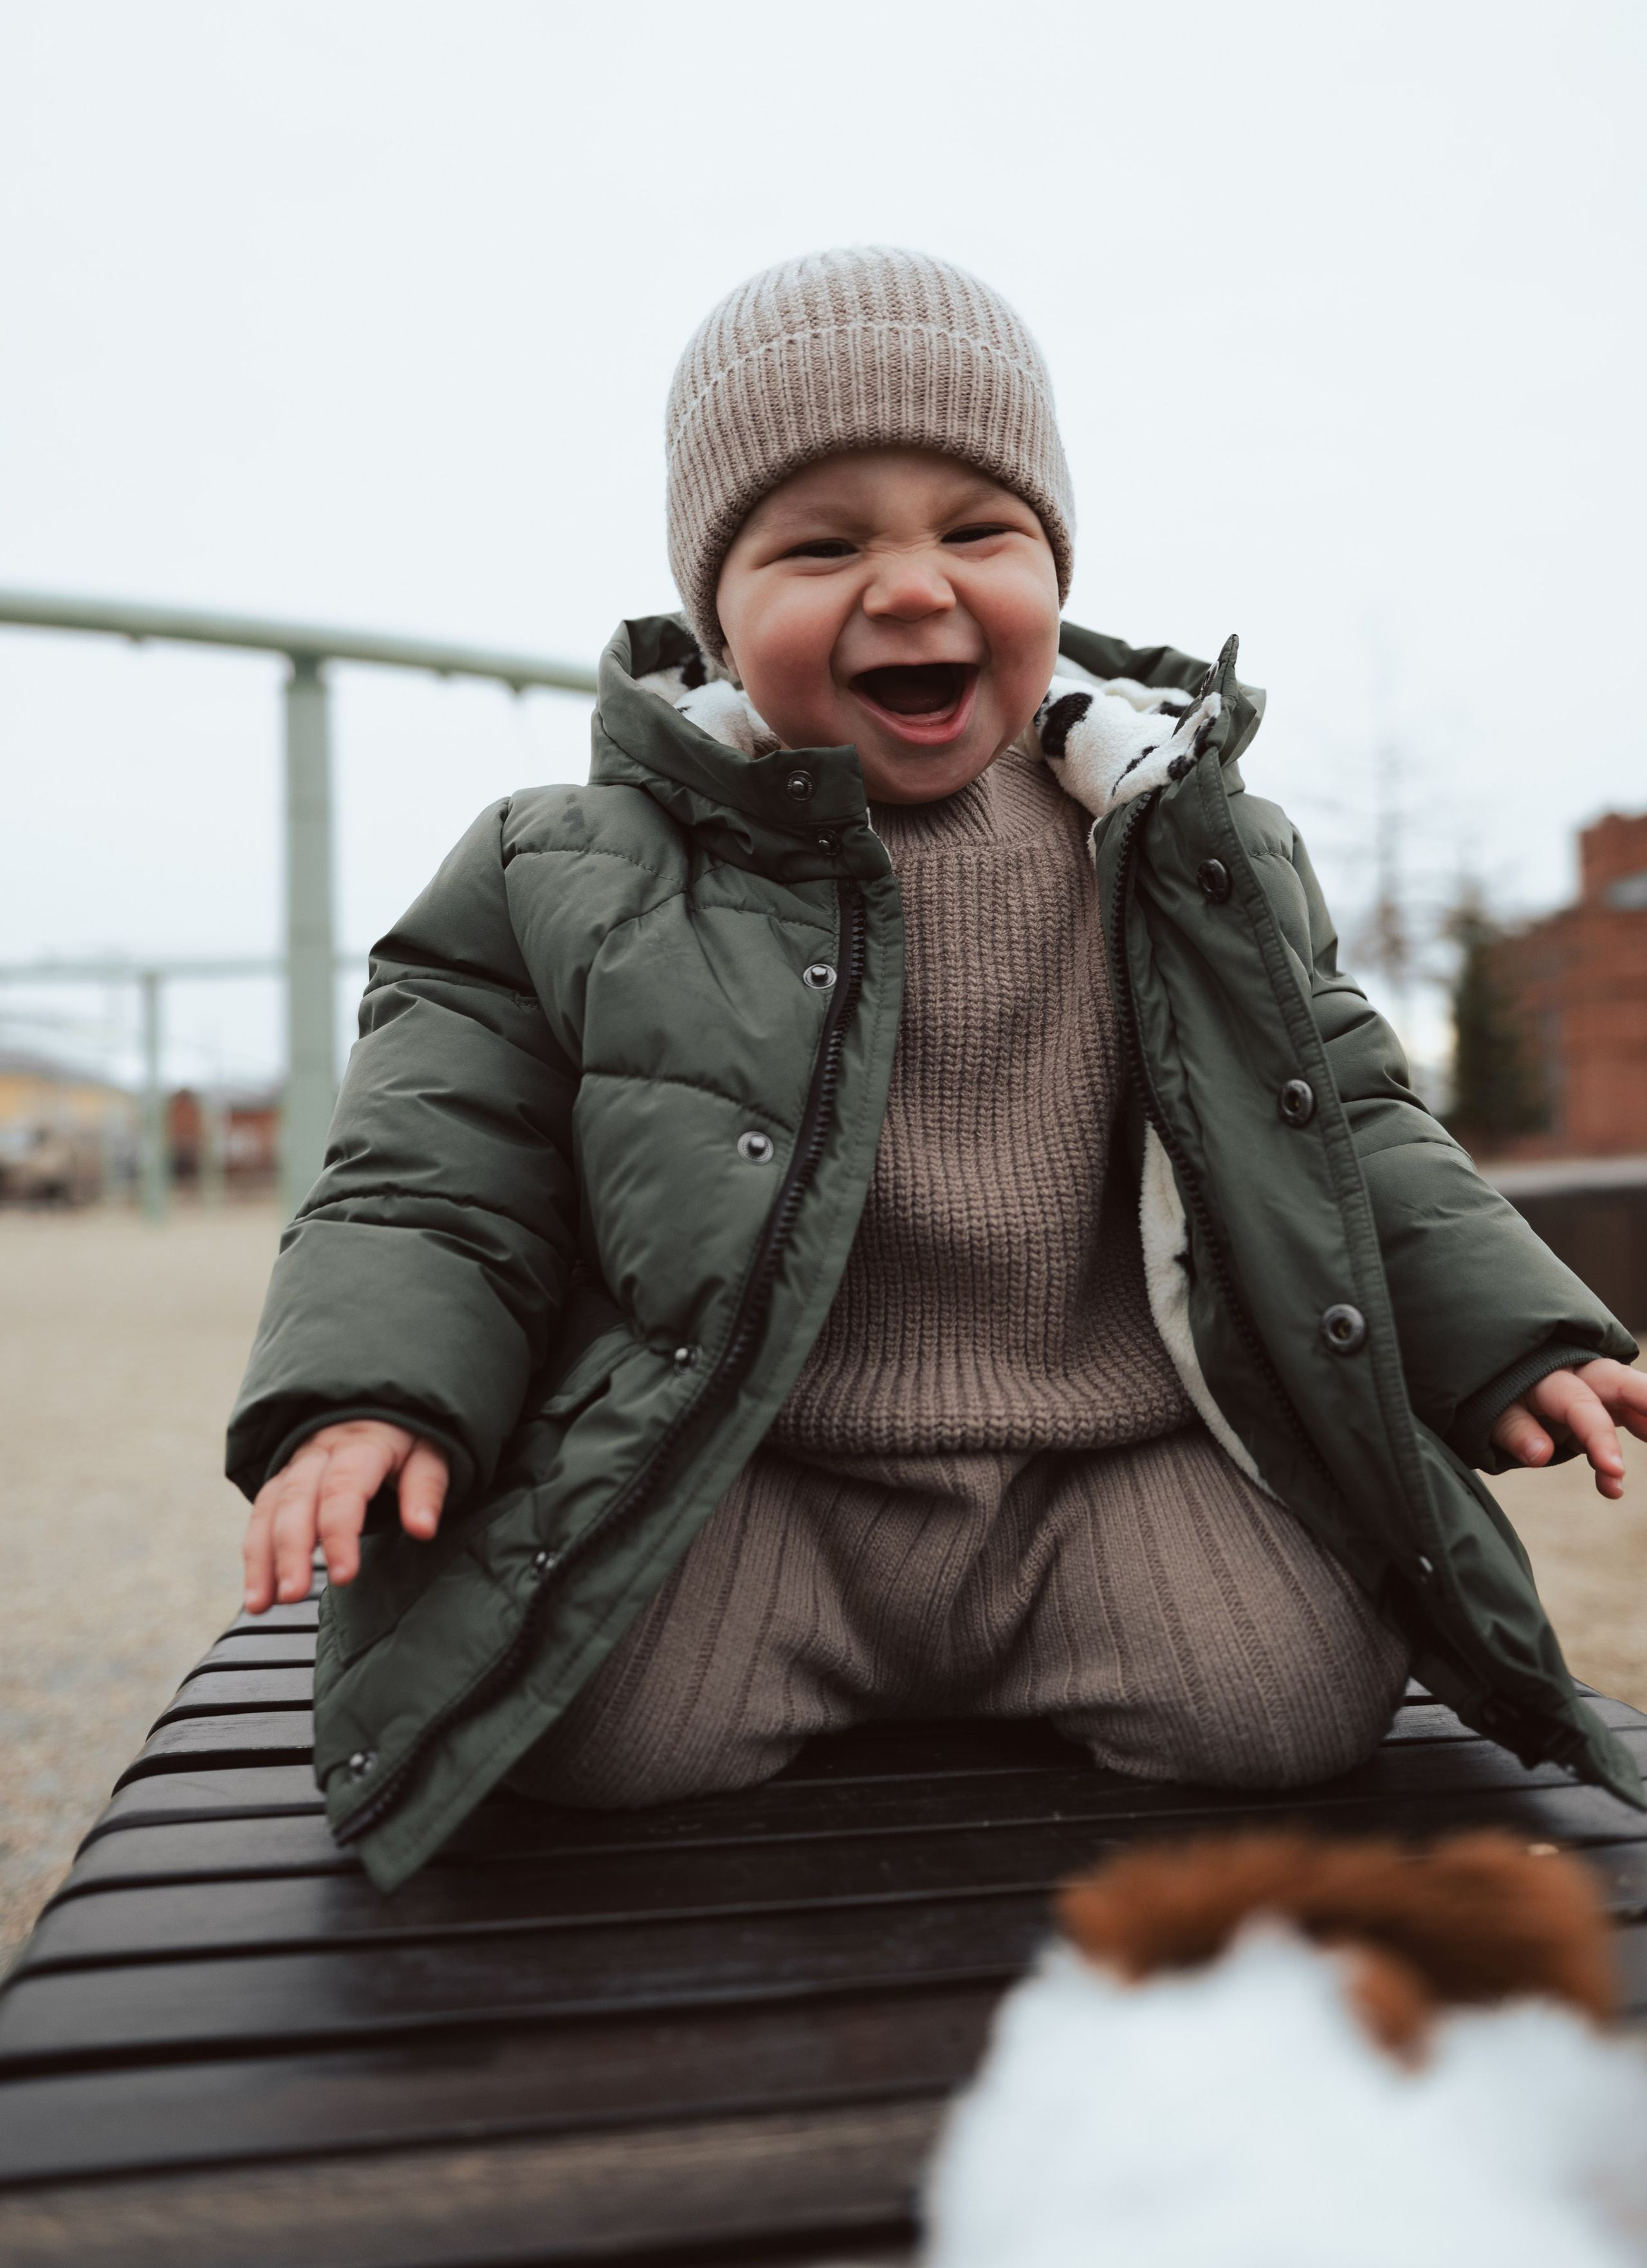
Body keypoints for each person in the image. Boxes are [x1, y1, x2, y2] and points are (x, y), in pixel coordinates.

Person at [228, 247, 1647, 1894]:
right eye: (821, 545)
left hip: (1104, 1457)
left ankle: (1043, 1634)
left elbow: (1337, 1118)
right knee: (577, 1727)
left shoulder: (1177, 845)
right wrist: (369, 1401)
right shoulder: (568, 868)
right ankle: (804, 1648)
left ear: (1051, 564)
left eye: (978, 533)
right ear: (715, 607)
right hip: (760, 1464)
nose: (910, 589)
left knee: (1291, 1703)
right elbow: (434, 1170)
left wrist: (1511, 1336)